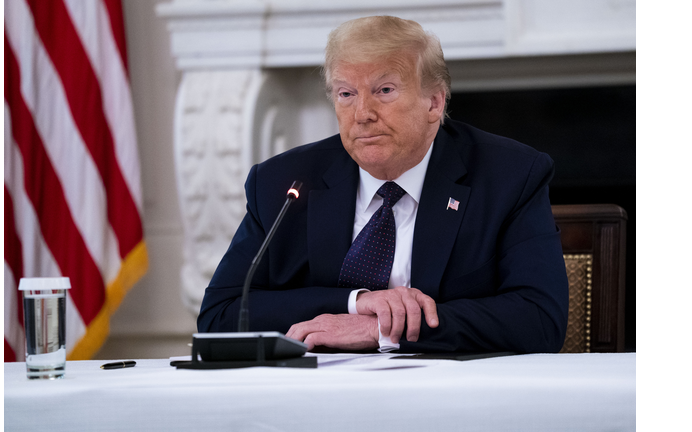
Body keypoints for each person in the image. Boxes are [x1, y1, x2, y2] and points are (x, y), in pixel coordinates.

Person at [197, 15, 569, 354]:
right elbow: (221, 317)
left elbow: (539, 319)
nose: (363, 114)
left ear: (434, 103)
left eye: (385, 90)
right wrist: (354, 303)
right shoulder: (283, 182)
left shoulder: (509, 175)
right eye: (346, 94)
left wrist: (383, 330)